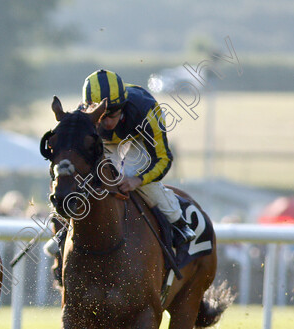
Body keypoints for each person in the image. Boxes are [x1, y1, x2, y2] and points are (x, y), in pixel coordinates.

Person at [46, 69, 196, 260]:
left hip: (138, 137)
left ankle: (178, 224)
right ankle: (64, 227)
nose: (107, 122)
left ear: (123, 106)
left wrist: (137, 180)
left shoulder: (148, 111)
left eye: (113, 114)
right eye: (101, 115)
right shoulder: (84, 115)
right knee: (86, 175)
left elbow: (164, 159)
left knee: (132, 171)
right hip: (103, 143)